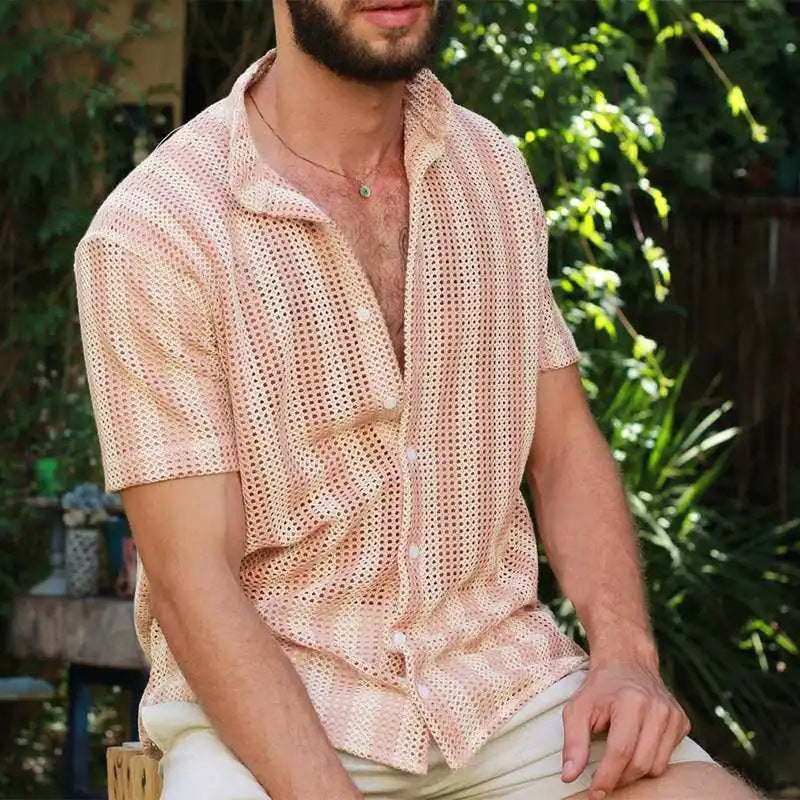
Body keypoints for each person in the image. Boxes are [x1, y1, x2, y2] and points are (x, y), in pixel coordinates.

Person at [74, 1, 761, 799]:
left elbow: (564, 448)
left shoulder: (492, 170)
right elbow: (194, 581)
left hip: (503, 696)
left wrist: (626, 657)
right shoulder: (156, 232)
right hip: (268, 726)